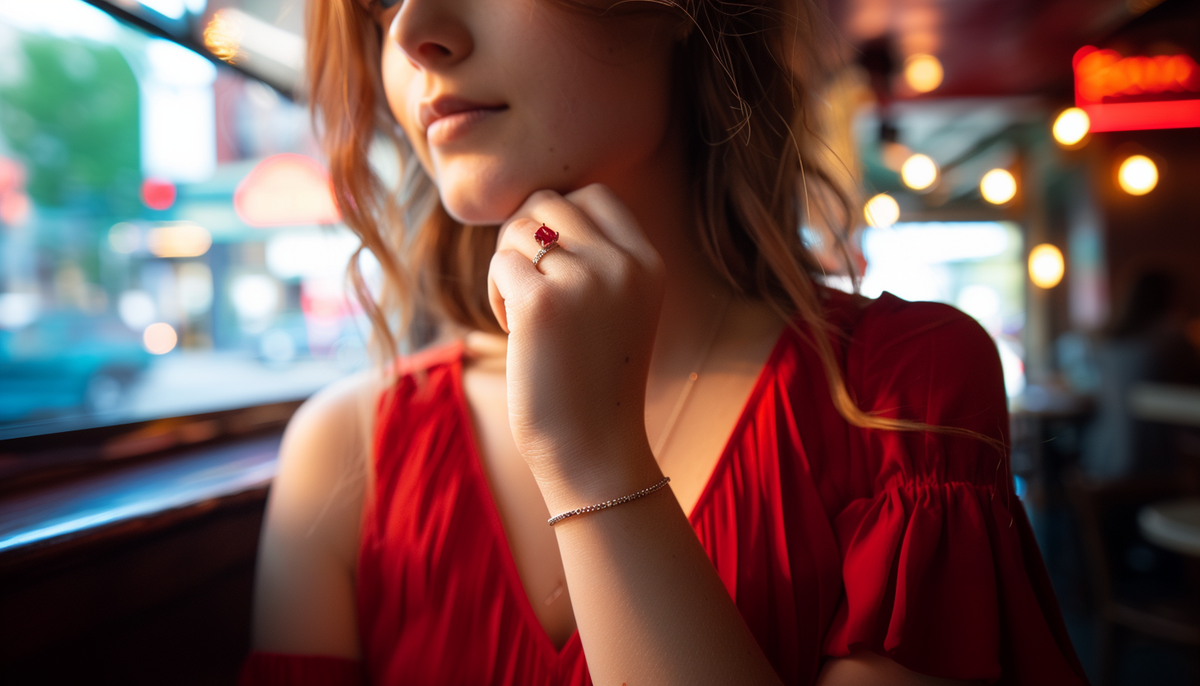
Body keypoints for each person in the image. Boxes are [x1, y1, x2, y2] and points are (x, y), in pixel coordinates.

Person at [241, 1, 1089, 684]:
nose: (413, 32)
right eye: (380, 2)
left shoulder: (904, 388)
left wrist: (595, 462)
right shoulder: (344, 449)